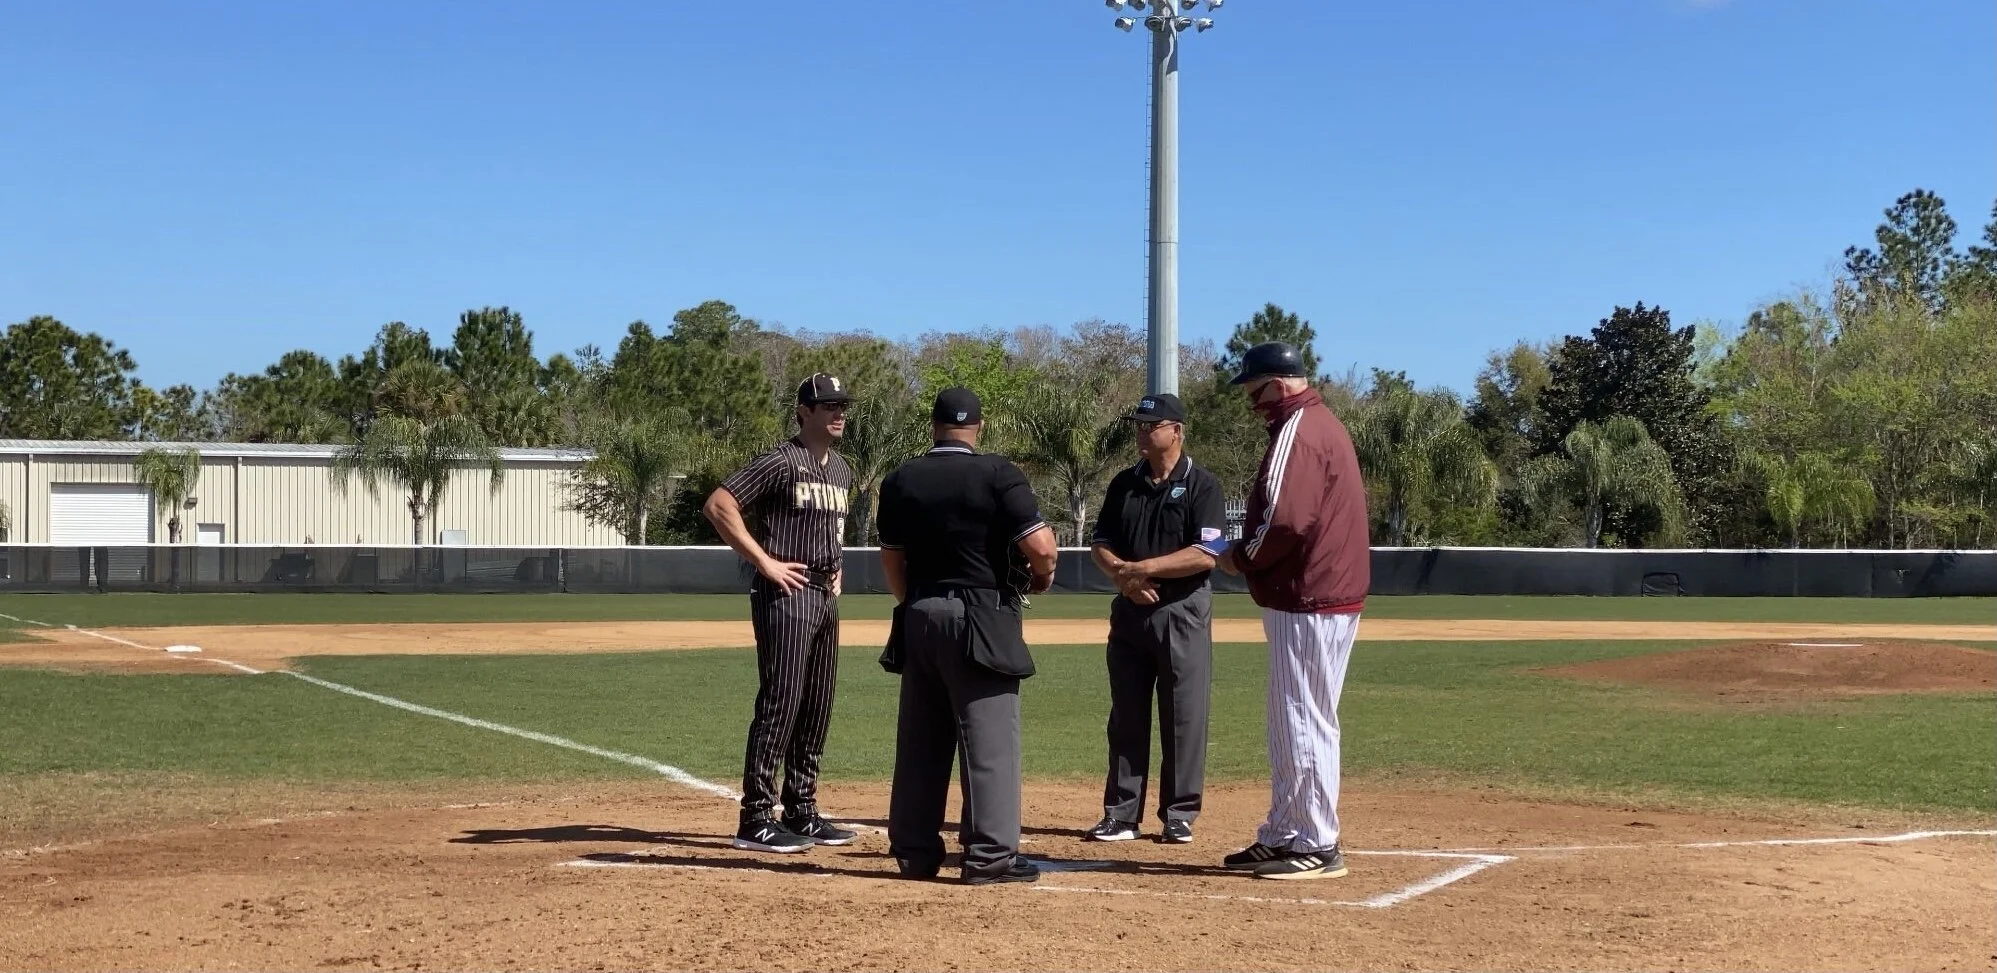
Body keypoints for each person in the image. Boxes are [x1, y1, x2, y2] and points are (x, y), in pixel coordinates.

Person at [875, 387, 1058, 885]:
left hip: (920, 611)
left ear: (933, 426)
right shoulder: (999, 473)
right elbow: (1041, 548)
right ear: (978, 427)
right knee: (990, 742)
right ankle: (989, 859)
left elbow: (892, 557)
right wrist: (1041, 579)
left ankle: (914, 854)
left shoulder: (901, 478)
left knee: (920, 742)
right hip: (981, 614)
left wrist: (910, 603)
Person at [1212, 342, 1371, 881]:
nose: (1254, 406)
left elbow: (1285, 520)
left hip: (1310, 595)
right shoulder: (1319, 425)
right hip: (1321, 594)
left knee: (1302, 717)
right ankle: (1285, 831)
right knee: (1295, 716)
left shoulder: (1298, 430)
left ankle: (1316, 841)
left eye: (1255, 394)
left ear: (1278, 386)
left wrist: (1242, 557)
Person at [702, 373, 859, 854]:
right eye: (827, 405)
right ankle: (755, 817)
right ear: (804, 411)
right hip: (785, 595)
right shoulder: (779, 461)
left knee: (818, 702)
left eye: (842, 406)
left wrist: (838, 568)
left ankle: (802, 809)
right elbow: (719, 504)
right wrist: (764, 561)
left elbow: (830, 528)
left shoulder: (842, 470)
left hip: (823, 595)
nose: (838, 413)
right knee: (781, 702)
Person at [1083, 392, 1228, 845]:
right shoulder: (1124, 483)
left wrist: (1143, 569)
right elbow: (1101, 544)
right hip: (1130, 611)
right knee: (1126, 715)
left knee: (1183, 715)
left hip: (1182, 612)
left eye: (1153, 425)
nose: (1144, 432)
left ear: (1177, 431)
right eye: (1140, 425)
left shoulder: (1203, 485)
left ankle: (1180, 813)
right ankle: (1122, 814)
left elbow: (1208, 553)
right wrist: (1124, 579)